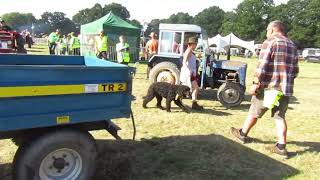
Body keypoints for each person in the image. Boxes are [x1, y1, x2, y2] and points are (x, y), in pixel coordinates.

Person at [230, 20, 299, 158]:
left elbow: (262, 65)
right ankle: (281, 147)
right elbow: (296, 71)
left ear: (273, 30)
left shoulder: (271, 42)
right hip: (285, 89)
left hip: (270, 87)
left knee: (254, 111)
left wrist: (256, 82)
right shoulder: (292, 45)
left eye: (267, 31)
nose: (266, 34)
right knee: (280, 117)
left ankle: (242, 134)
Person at [179, 37, 204, 111]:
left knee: (193, 88)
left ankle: (194, 103)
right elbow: (184, 61)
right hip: (189, 73)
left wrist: (197, 57)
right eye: (195, 44)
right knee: (189, 88)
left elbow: (191, 58)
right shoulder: (188, 51)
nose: (196, 46)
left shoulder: (191, 51)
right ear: (191, 44)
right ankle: (192, 103)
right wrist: (188, 70)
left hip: (191, 73)